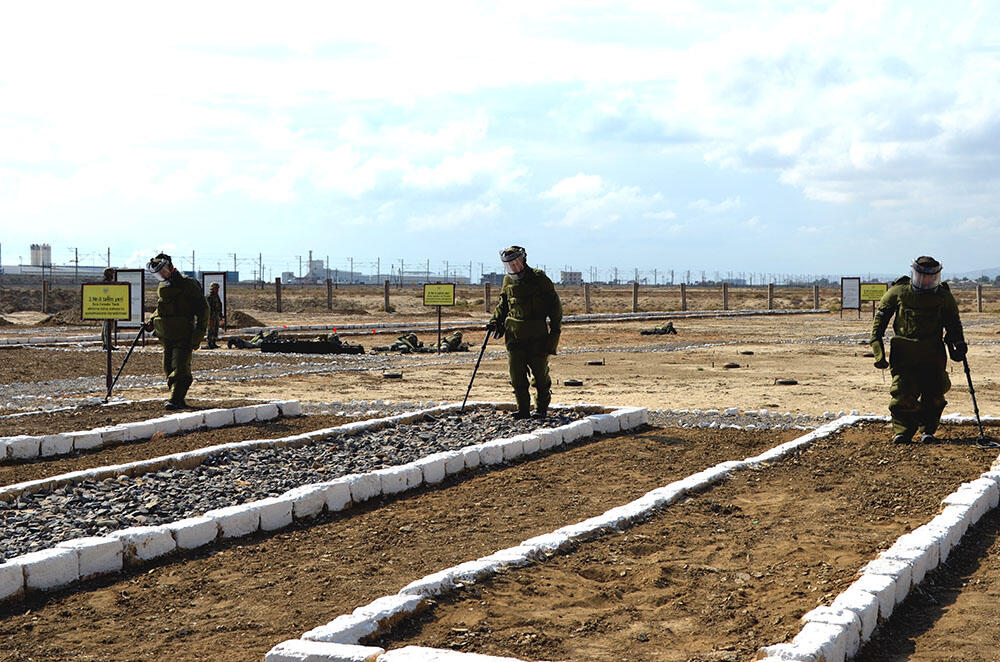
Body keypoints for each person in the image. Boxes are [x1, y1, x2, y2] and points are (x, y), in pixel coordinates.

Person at [870, 256, 966, 444]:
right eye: (922, 275)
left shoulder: (943, 297)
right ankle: (903, 431)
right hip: (905, 353)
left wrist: (959, 345)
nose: (926, 280)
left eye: (931, 277)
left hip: (933, 353)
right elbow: (878, 326)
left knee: (935, 391)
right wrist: (878, 352)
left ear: (936, 276)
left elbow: (954, 324)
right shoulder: (898, 292)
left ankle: (928, 430)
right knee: (902, 391)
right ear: (914, 274)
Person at [487, 246, 562, 419]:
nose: (514, 267)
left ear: (523, 260)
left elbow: (555, 308)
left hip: (537, 337)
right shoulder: (508, 281)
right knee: (516, 375)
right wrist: (494, 321)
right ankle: (523, 410)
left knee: (540, 377)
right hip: (514, 336)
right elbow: (503, 305)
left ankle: (541, 408)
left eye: (516, 263)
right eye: (509, 265)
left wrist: (554, 335)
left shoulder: (539, 279)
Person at [143, 253, 209, 409]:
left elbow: (203, 309)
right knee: (168, 367)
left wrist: (198, 334)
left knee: (180, 368)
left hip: (184, 335)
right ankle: (177, 396)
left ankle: (175, 399)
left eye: (163, 271)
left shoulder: (188, 284)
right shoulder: (163, 286)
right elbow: (161, 308)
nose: (162, 275)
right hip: (167, 335)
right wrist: (151, 321)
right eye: (158, 274)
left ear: (171, 267)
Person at [101, 267, 117, 351]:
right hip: (109, 307)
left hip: (106, 307)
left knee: (105, 326)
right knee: (108, 326)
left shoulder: (104, 282)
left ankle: (105, 343)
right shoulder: (108, 283)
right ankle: (107, 344)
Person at [206, 282, 224, 349]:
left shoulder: (216, 296)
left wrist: (220, 316)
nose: (217, 289)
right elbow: (208, 308)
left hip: (216, 315)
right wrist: (209, 318)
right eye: (216, 288)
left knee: (215, 330)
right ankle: (209, 343)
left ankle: (214, 343)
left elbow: (219, 305)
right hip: (211, 316)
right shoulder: (209, 296)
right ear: (212, 288)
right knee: (211, 330)